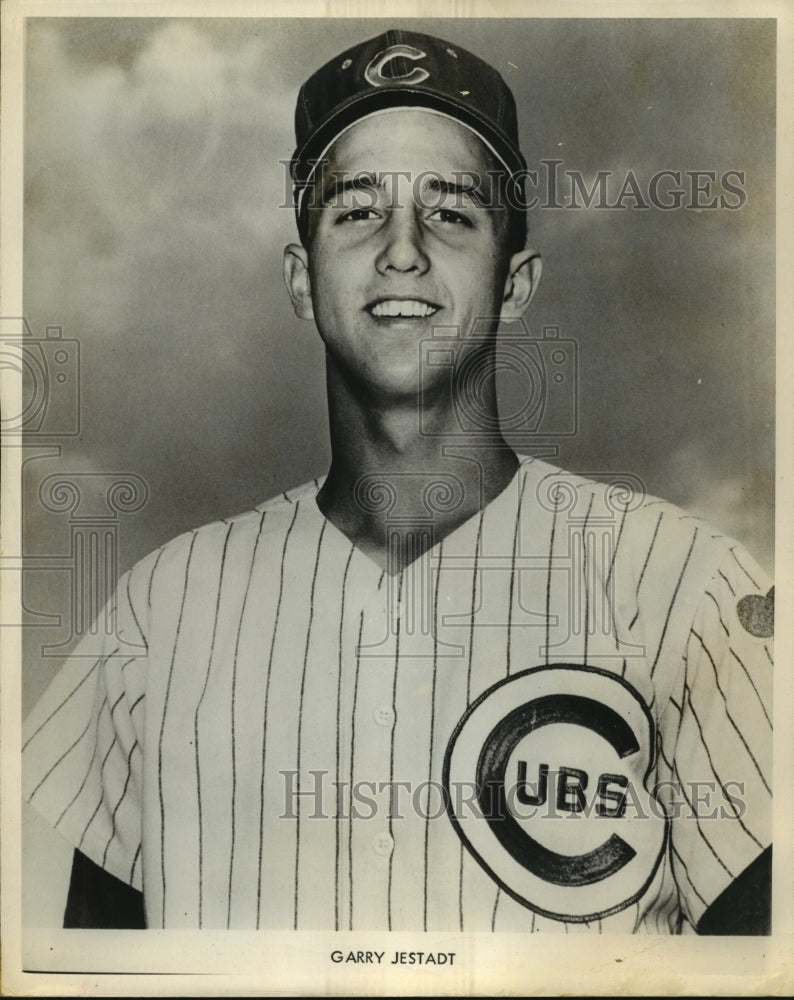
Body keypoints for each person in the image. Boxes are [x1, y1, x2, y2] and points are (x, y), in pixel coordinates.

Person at [22, 27, 772, 934]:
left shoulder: (684, 583)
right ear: (302, 279)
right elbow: (91, 974)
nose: (403, 251)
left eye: (452, 212)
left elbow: (771, 965)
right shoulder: (162, 606)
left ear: (515, 282)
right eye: (356, 210)